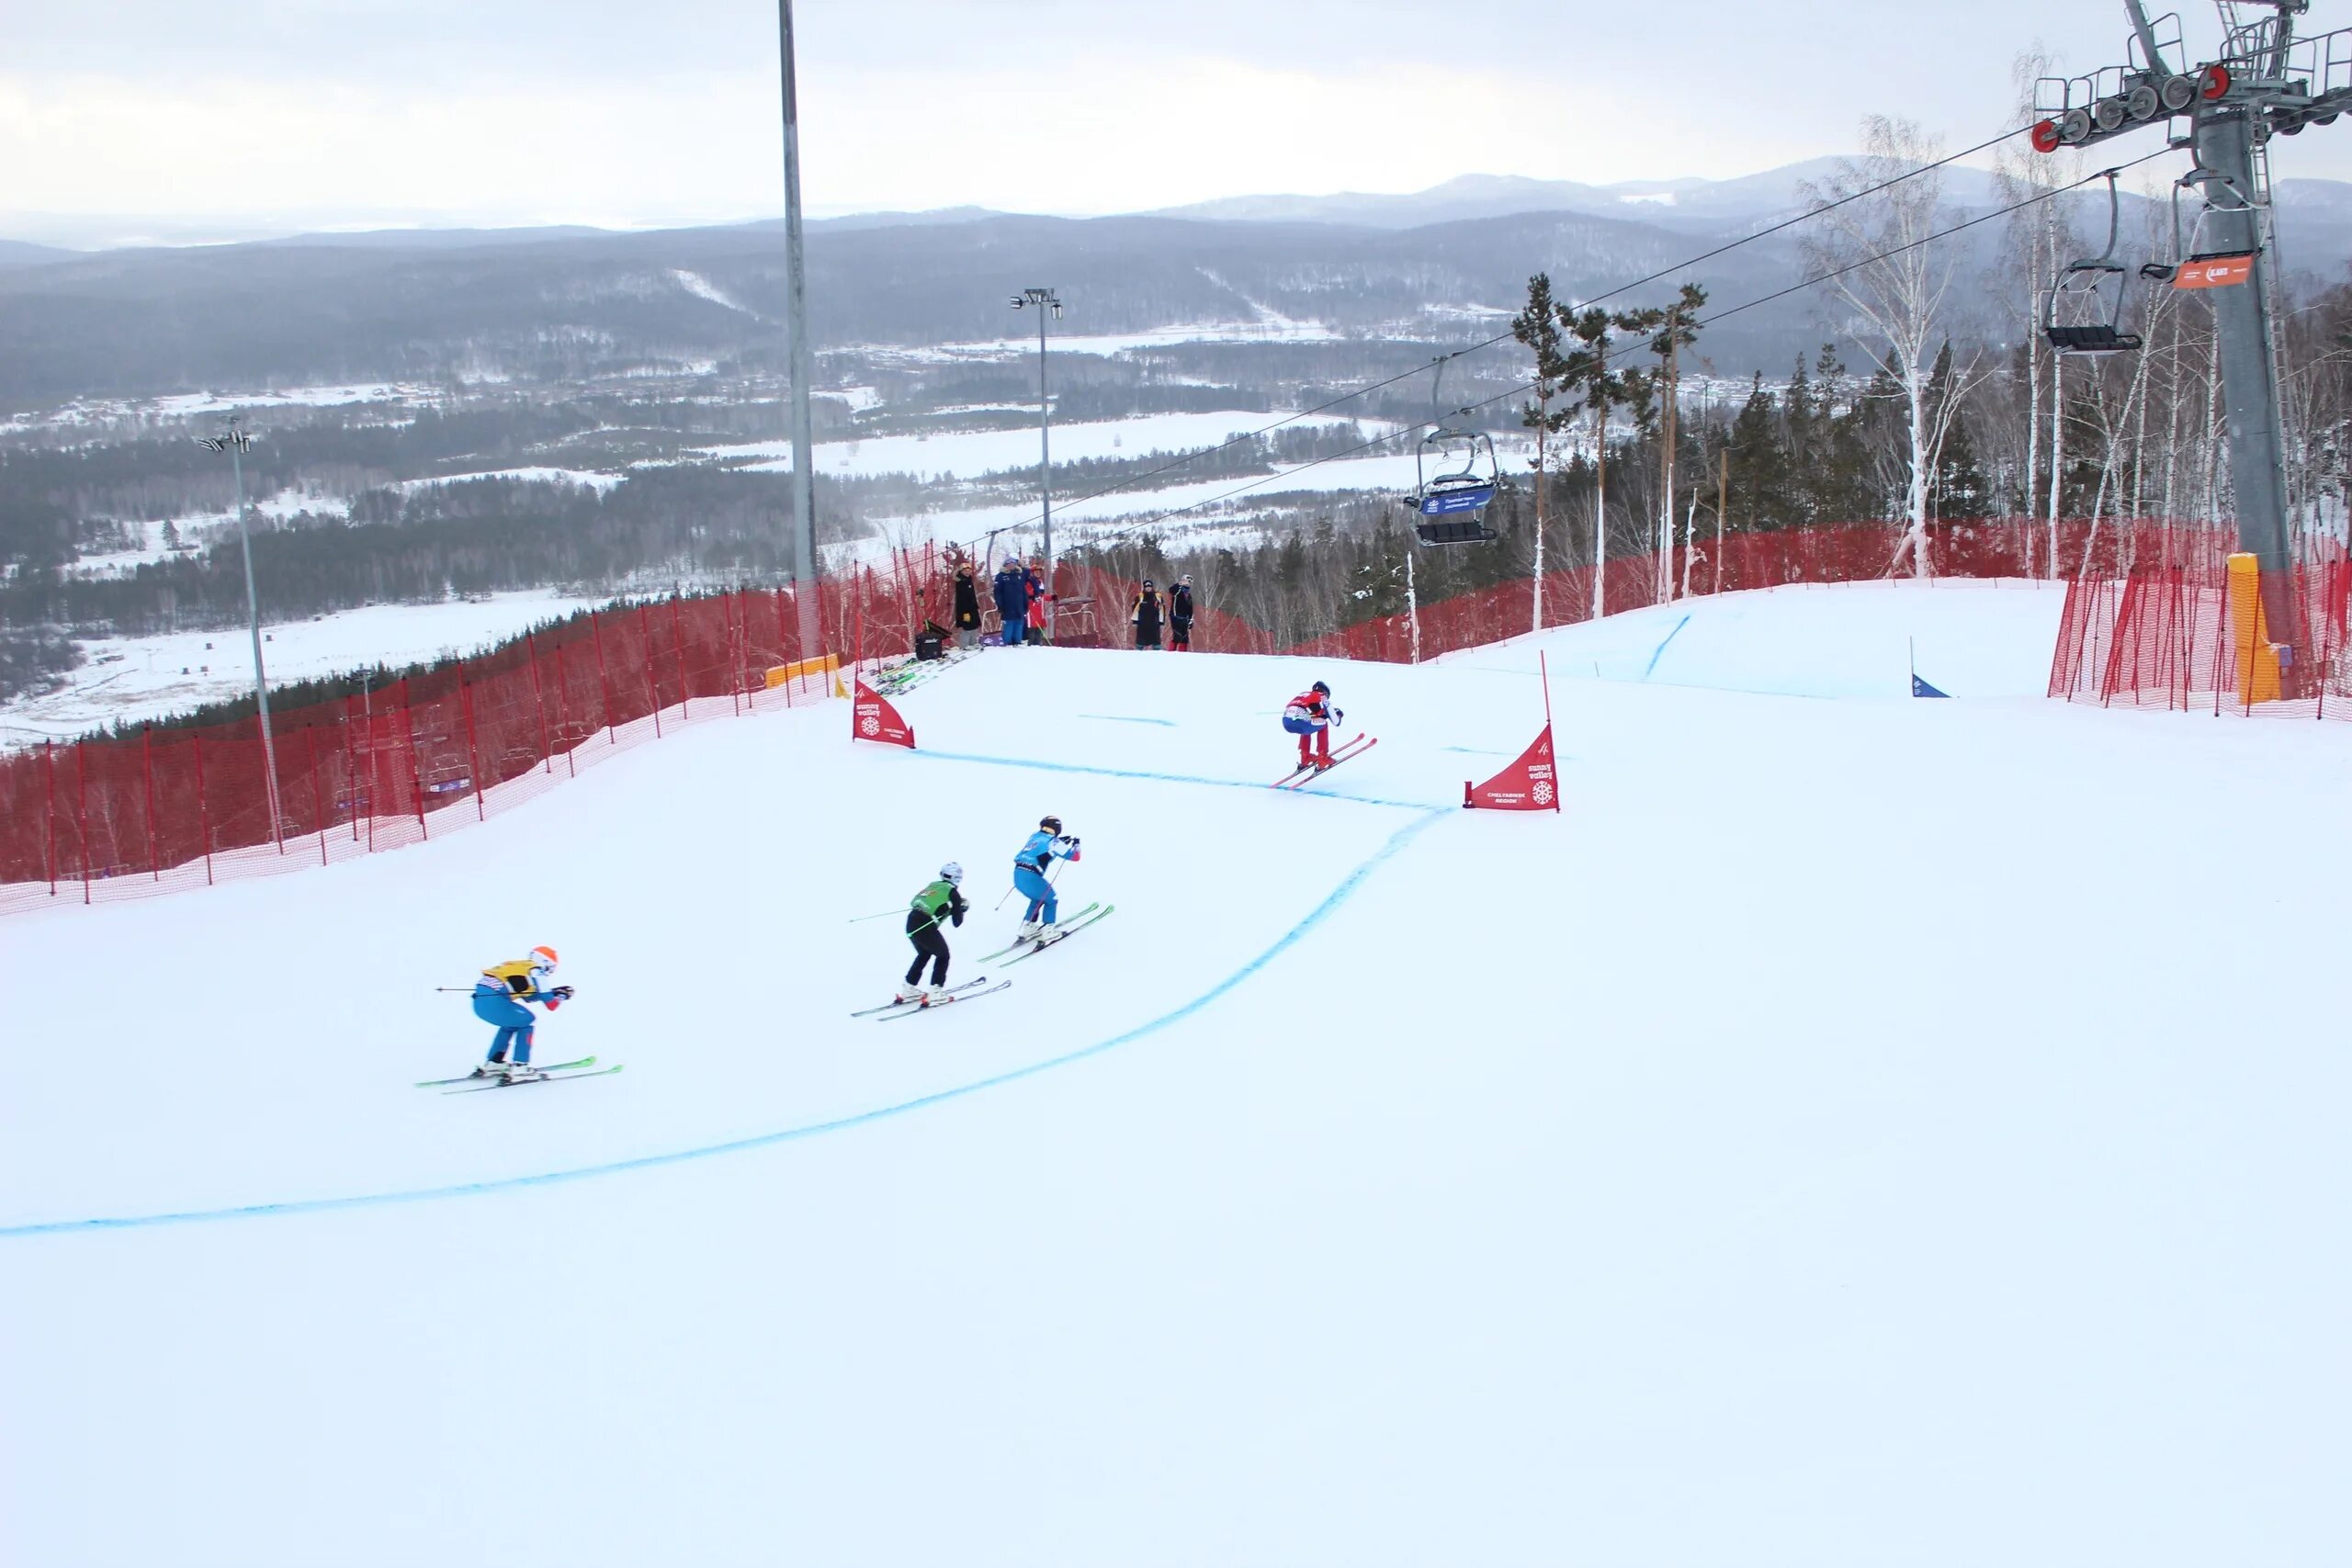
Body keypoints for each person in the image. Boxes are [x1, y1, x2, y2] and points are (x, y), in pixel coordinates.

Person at [469, 944, 573, 1079]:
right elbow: (551, 1005)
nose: (550, 972)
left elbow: (529, 997)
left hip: (480, 1002)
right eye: (552, 968)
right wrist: (562, 996)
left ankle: (494, 1062)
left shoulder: (521, 966)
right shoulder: (537, 971)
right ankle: (521, 1066)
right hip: (495, 1001)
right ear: (546, 963)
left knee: (512, 1023)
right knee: (527, 1020)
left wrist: (552, 992)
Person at [897, 862, 969, 1005]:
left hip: (911, 921)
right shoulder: (953, 893)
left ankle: (909, 988)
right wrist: (961, 908)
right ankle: (935, 991)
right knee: (943, 955)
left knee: (924, 954)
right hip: (925, 925)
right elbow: (957, 923)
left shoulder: (934, 885)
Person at [1012, 814, 1082, 942]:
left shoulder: (1034, 836)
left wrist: (1061, 841)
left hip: (1018, 874)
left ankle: (1028, 927)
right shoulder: (1054, 842)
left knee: (1037, 898)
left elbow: (1042, 846)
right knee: (1051, 898)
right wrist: (1076, 844)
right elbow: (1075, 857)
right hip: (1031, 875)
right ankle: (1049, 931)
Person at [1282, 680, 1342, 770]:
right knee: (1324, 725)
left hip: (1286, 721)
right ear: (1325, 692)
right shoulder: (1322, 696)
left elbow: (1314, 713)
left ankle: (1305, 756)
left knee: (1309, 720)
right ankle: (1323, 758)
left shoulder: (1304, 694)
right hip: (1301, 722)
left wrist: (1322, 714)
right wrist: (1338, 714)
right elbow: (1336, 722)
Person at [991, 559, 1030, 647]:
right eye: (1010, 564)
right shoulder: (1001, 576)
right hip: (1007, 606)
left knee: (1019, 624)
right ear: (1006, 565)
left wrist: (1026, 603)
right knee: (1009, 624)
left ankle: (1018, 642)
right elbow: (997, 592)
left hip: (1019, 606)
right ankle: (1007, 643)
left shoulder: (1019, 575)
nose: (1012, 565)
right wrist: (1000, 605)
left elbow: (1023, 591)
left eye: (1014, 564)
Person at [952, 564, 983, 651]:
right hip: (965, 609)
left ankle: (973, 643)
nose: (967, 572)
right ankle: (964, 645)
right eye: (965, 570)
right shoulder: (961, 581)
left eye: (969, 570)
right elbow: (963, 597)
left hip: (972, 607)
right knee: (967, 627)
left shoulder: (969, 580)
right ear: (961, 571)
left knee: (974, 625)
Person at [1130, 579, 1165, 650]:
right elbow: (1135, 609)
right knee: (1140, 639)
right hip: (1142, 622)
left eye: (1150, 586)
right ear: (1144, 587)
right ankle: (1138, 653)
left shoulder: (1158, 596)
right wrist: (1135, 621)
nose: (1148, 588)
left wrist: (1161, 622)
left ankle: (1158, 653)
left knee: (1156, 640)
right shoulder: (1140, 596)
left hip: (1154, 622)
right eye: (1146, 586)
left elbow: (1162, 609)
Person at [1025, 557, 1050, 646]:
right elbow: (1028, 593)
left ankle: (1038, 645)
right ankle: (1031, 645)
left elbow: (1042, 596)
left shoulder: (1040, 583)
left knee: (1039, 629)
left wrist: (1051, 597)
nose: (1038, 574)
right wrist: (1033, 595)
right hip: (1032, 609)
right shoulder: (1029, 582)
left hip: (1040, 610)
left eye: (1039, 572)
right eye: (1036, 572)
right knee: (1032, 629)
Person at [1169, 574, 1194, 651]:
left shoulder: (1189, 594)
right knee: (1177, 636)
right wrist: (1179, 584)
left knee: (1185, 638)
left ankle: (1182, 654)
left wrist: (1191, 619)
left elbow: (1190, 608)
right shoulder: (1178, 590)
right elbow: (1171, 590)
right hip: (1175, 616)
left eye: (1189, 582)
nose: (1188, 583)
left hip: (1184, 618)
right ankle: (1171, 652)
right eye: (1186, 581)